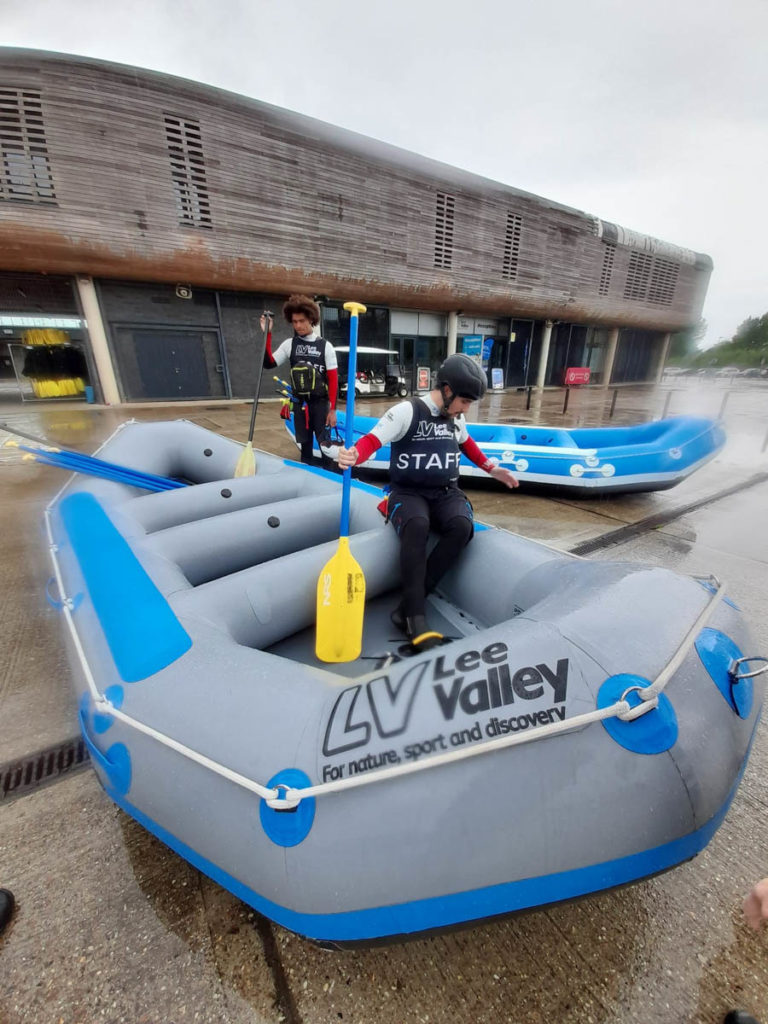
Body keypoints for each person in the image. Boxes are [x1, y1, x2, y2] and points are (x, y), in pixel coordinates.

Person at [337, 353, 519, 652]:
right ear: (447, 390)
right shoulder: (407, 411)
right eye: (464, 401)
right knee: (417, 525)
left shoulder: (454, 418)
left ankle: (407, 605)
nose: (465, 409)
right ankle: (415, 619)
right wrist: (354, 454)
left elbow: (466, 443)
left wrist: (491, 468)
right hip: (408, 493)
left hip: (445, 492)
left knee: (461, 526)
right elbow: (373, 439)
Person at [263, 294, 338, 467]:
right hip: (301, 405)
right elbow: (269, 364)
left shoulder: (326, 346)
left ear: (311, 319)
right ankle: (306, 477)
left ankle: (328, 482)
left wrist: (332, 410)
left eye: (302, 321)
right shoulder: (290, 344)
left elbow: (333, 380)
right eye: (294, 321)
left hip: (321, 405)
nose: (298, 325)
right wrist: (267, 334)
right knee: (305, 449)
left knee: (326, 448)